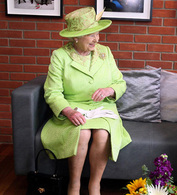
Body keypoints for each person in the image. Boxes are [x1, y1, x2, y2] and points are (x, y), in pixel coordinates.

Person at [40, 7, 131, 195]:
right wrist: (69, 111)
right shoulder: (60, 56)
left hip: (103, 107)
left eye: (97, 33)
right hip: (73, 107)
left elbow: (120, 83)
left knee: (103, 133)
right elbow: (52, 92)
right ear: (75, 37)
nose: (96, 39)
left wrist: (110, 90)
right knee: (81, 133)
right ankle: (74, 184)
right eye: (90, 35)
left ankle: (94, 185)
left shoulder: (105, 52)